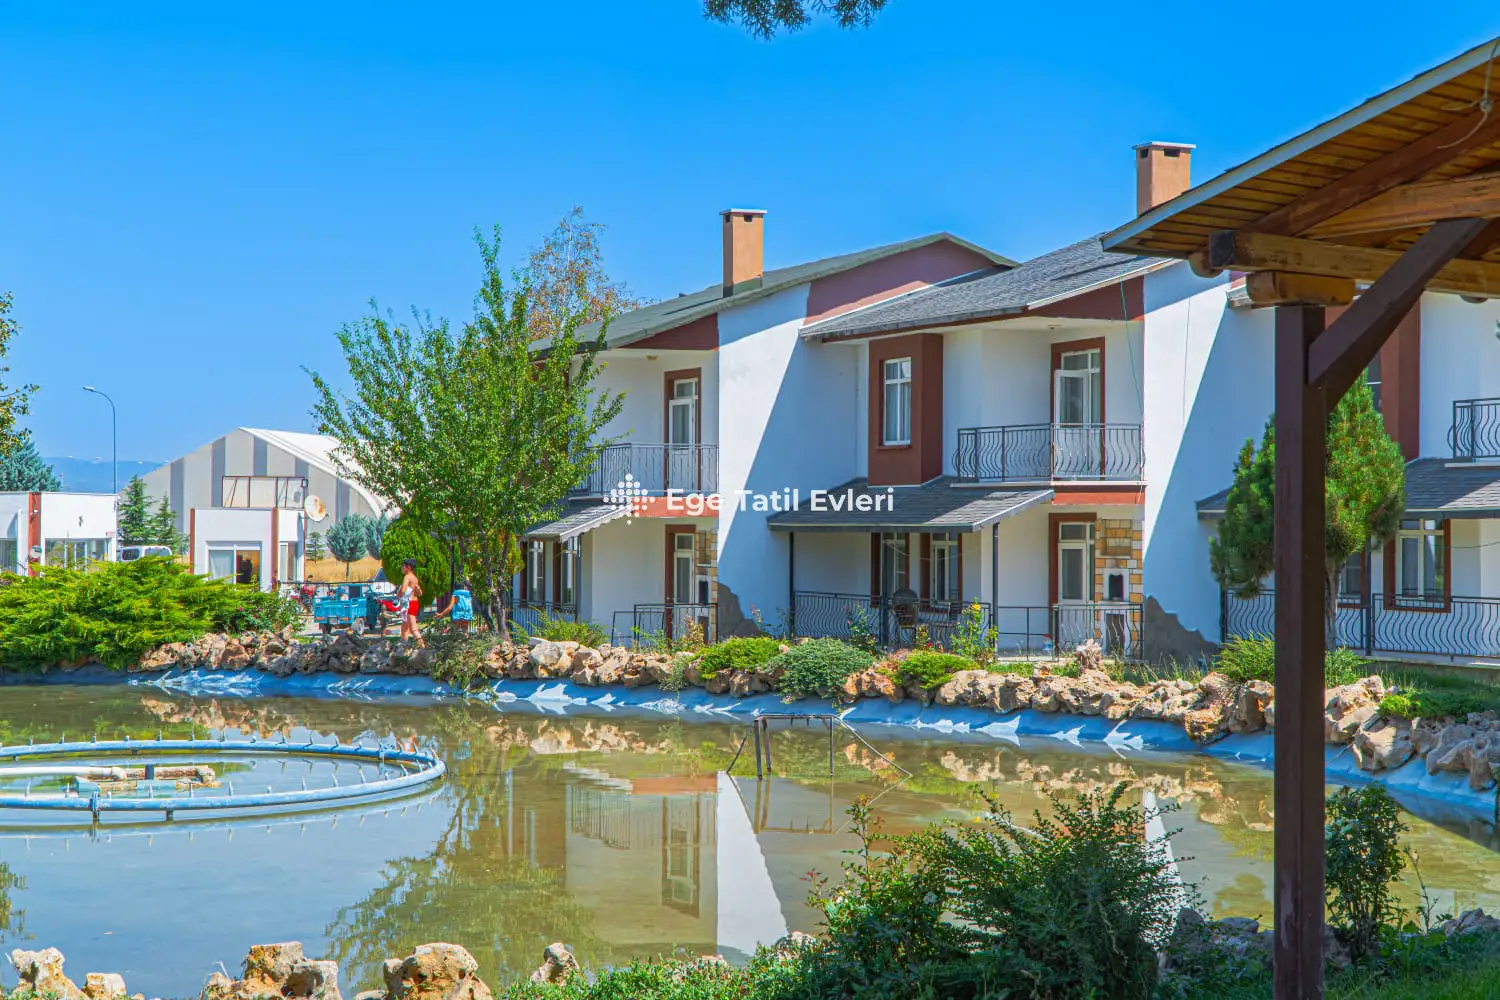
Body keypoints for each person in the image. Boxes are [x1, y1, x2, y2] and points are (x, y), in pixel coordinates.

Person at [398, 559, 424, 647]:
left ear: (408, 567)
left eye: (403, 566)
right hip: (414, 602)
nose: (402, 567)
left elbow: (403, 589)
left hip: (409, 603)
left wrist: (398, 595)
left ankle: (423, 647)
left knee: (413, 629)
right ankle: (404, 646)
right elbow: (419, 592)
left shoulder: (407, 577)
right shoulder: (415, 578)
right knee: (404, 627)